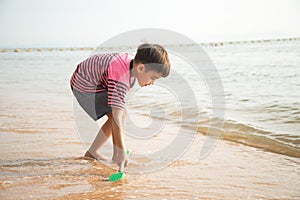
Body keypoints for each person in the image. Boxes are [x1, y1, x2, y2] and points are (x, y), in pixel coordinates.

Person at [70, 43, 171, 170]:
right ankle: (105, 154)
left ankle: (98, 153)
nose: (152, 83)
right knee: (116, 116)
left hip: (93, 79)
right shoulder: (120, 78)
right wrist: (121, 151)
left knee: (121, 113)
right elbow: (117, 116)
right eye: (152, 78)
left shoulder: (131, 65)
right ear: (140, 68)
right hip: (84, 85)